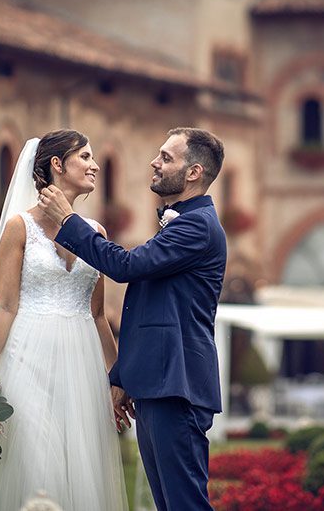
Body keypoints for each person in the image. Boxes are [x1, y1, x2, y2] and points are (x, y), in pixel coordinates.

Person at [39, 126, 227, 511]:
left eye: (166, 157)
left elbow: (126, 267)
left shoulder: (197, 227)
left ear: (193, 173)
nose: (154, 163)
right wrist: (124, 377)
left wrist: (67, 220)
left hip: (179, 387)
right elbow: (151, 311)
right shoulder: (180, 222)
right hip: (160, 384)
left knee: (185, 505)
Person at [0, 131, 127, 511]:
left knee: (79, 465)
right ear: (57, 165)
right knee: (37, 464)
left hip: (82, 366)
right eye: (85, 157)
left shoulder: (96, 234)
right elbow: (5, 306)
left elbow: (97, 315)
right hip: (29, 358)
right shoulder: (19, 227)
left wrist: (119, 377)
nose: (95, 166)